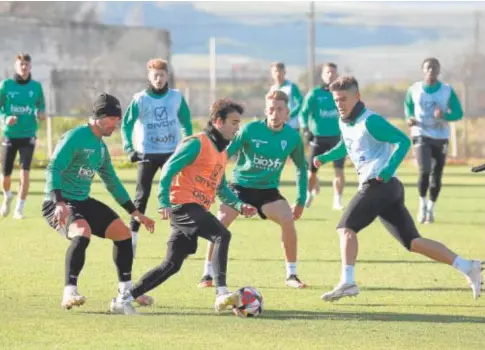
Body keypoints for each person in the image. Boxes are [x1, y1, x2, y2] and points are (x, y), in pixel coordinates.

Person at [314, 76, 482, 302]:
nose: (339, 104)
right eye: (336, 100)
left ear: (357, 97)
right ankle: (468, 266)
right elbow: (346, 144)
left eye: (344, 99)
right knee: (413, 242)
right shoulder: (344, 121)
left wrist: (387, 169)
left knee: (346, 228)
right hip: (387, 189)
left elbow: (402, 141)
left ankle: (348, 282)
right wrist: (324, 157)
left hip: (380, 184)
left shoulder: (370, 121)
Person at [110, 98, 257, 315]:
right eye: (234, 122)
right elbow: (168, 168)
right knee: (221, 235)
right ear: (218, 121)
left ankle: (123, 299)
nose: (237, 128)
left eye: (238, 123)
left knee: (171, 264)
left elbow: (221, 187)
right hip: (184, 205)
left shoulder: (222, 152)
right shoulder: (197, 143)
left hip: (196, 209)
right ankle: (221, 292)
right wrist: (163, 202)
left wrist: (239, 205)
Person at [42, 93, 156, 310]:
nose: (116, 124)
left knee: (123, 233)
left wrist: (135, 212)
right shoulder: (76, 137)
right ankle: (69, 292)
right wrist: (58, 202)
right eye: (114, 119)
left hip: (82, 201)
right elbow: (54, 168)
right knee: (81, 231)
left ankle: (126, 291)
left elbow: (112, 182)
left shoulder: (101, 148)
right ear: (101, 117)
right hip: (58, 201)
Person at [198, 90, 308, 290]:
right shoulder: (249, 130)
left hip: (268, 192)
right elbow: (223, 156)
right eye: (271, 109)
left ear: (287, 113)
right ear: (266, 110)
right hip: (240, 186)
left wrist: (300, 200)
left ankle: (291, 274)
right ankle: (207, 273)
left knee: (287, 220)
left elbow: (301, 167)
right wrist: (214, 186)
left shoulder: (293, 137)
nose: (275, 113)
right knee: (220, 223)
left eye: (280, 109)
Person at [122, 58, 192, 256]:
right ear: (149, 76)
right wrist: (129, 147)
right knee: (141, 196)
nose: (159, 79)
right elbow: (126, 125)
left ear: (167, 76)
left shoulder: (176, 97)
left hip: (172, 153)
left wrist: (187, 145)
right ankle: (132, 238)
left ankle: (178, 239)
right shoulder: (140, 99)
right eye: (155, 76)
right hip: (147, 154)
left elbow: (186, 123)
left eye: (162, 75)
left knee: (176, 195)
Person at [404, 57, 463, 224]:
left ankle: (431, 208)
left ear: (439, 70)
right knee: (424, 170)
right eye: (428, 67)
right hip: (421, 132)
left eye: (434, 67)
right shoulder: (414, 89)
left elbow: (458, 113)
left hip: (440, 136)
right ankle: (421, 204)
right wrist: (409, 118)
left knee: (437, 174)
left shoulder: (446, 90)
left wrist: (445, 115)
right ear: (423, 70)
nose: (431, 70)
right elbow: (408, 107)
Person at [1, 53, 46, 219]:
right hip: (9, 135)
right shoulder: (5, 85)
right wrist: (6, 118)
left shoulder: (36, 87)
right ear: (16, 66)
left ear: (30, 66)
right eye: (21, 64)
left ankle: (19, 209)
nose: (24, 67)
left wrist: (41, 113)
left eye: (26, 64)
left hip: (28, 135)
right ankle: (7, 195)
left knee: (25, 172)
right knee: (5, 175)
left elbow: (41, 105)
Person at [300, 62, 345, 209]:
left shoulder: (342, 94)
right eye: (327, 72)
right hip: (318, 138)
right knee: (311, 172)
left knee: (339, 170)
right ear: (322, 75)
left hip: (337, 138)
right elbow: (303, 113)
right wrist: (305, 128)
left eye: (333, 72)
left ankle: (337, 200)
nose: (330, 75)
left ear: (336, 74)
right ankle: (308, 195)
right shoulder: (314, 94)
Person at [268, 62, 303, 130]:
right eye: (275, 71)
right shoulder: (272, 89)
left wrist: (289, 115)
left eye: (280, 71)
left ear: (284, 72)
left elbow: (300, 103)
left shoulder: (292, 86)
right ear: (272, 74)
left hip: (292, 125)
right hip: (277, 125)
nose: (278, 74)